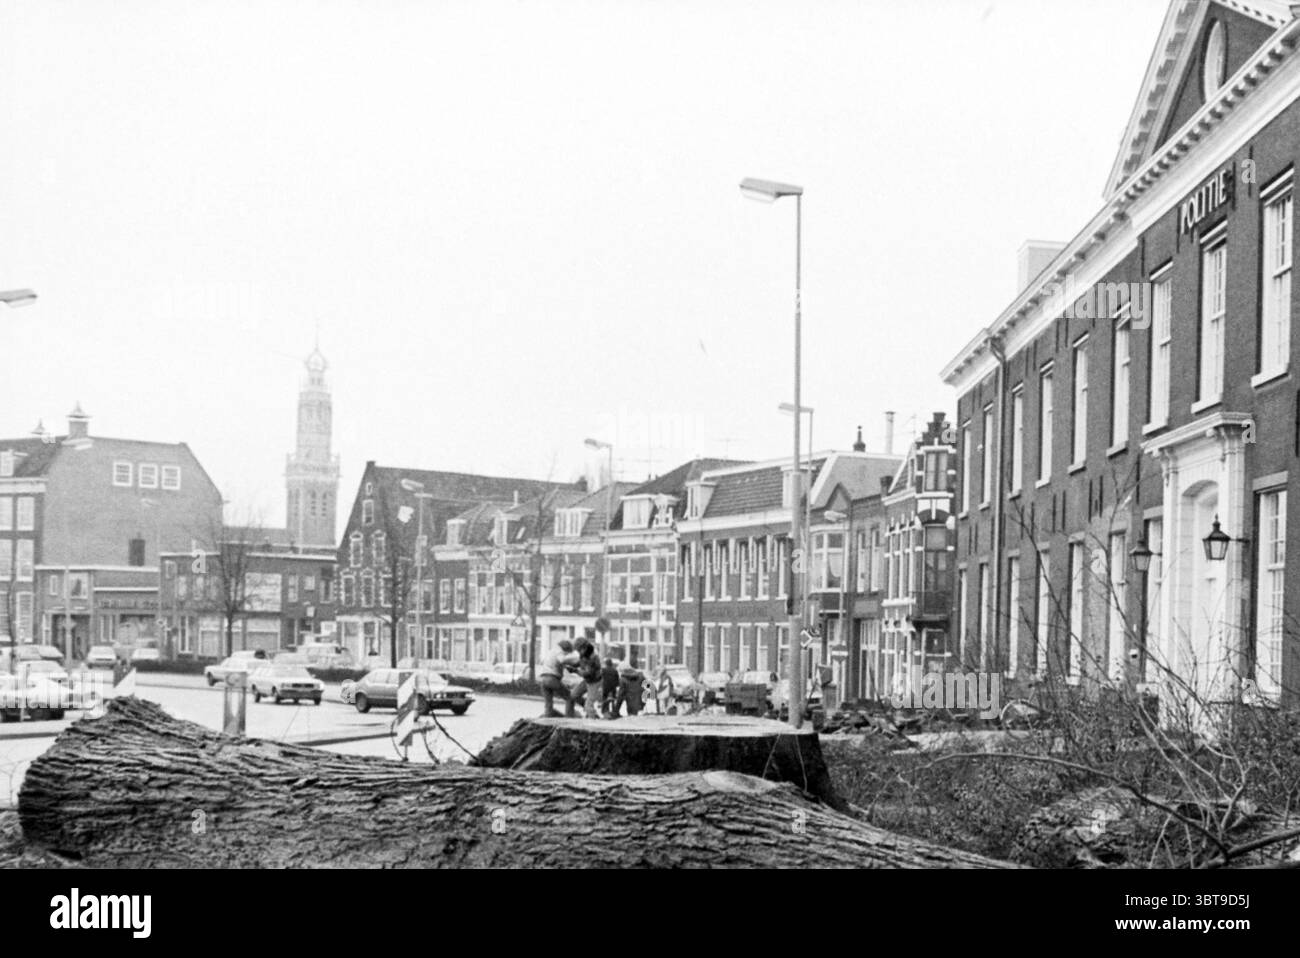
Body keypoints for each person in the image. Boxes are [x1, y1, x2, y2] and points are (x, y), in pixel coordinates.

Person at [539, 639, 579, 718]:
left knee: (548, 703)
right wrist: (576, 662)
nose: (568, 654)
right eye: (568, 652)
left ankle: (547, 718)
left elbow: (552, 662)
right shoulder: (559, 652)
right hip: (552, 678)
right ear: (566, 649)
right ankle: (569, 717)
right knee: (569, 697)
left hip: (543, 679)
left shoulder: (551, 651)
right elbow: (562, 660)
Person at [573, 638, 603, 719]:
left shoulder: (592, 657)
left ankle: (593, 720)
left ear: (585, 647)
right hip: (587, 681)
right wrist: (571, 664)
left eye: (579, 650)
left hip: (594, 682)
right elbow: (580, 662)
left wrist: (575, 671)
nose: (578, 652)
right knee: (574, 695)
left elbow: (588, 673)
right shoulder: (584, 654)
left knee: (588, 705)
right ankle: (589, 710)